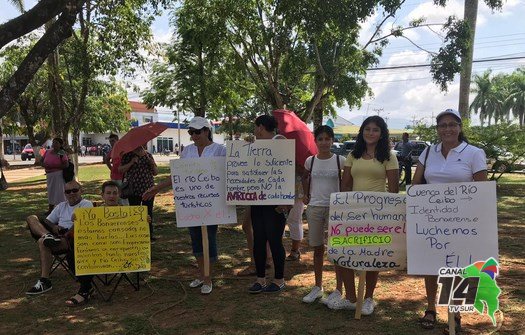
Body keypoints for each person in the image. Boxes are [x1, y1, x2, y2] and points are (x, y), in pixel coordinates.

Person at [413, 109, 487, 334]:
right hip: (431, 219)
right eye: (442, 125)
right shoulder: (428, 152)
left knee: (459, 266)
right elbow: (417, 184)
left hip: (463, 221)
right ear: (437, 129)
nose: (447, 129)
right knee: (430, 264)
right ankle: (430, 308)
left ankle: (455, 314)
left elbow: (481, 189)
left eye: (452, 124)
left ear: (460, 127)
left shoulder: (474, 153)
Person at [143, 116, 225, 295]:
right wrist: (156, 189)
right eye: (191, 132)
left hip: (212, 203)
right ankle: (201, 273)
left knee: (209, 238)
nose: (193, 135)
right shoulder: (187, 151)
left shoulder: (220, 150)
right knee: (195, 238)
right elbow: (177, 176)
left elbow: (227, 175)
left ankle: (208, 277)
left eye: (196, 132)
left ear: (206, 131)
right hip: (191, 203)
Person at [338, 115, 399, 315]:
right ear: (361, 131)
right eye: (367, 129)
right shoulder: (353, 155)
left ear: (382, 134)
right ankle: (351, 297)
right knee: (345, 254)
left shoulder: (389, 156)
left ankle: (368, 298)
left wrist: (390, 214)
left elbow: (394, 190)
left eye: (375, 130)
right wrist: (343, 209)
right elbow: (345, 184)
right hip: (352, 213)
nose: (370, 133)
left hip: (378, 215)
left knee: (373, 256)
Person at [301, 125, 346, 304]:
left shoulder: (340, 161)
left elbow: (348, 181)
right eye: (320, 139)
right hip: (315, 207)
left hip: (335, 208)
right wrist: (305, 194)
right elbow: (304, 177)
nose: (324, 142)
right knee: (317, 248)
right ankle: (317, 287)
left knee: (336, 249)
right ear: (315, 141)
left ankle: (338, 289)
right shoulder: (310, 161)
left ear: (332, 140)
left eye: (328, 138)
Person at [25, 180, 93, 295]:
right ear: (64, 194)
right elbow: (47, 221)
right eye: (68, 191)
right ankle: (47, 236)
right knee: (32, 218)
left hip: (73, 237)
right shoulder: (62, 205)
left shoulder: (86, 204)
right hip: (56, 234)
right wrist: (54, 226)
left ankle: (44, 281)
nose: (71, 193)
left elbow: (81, 225)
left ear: (81, 190)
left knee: (42, 242)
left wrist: (65, 234)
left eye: (74, 190)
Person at [248, 114, 288, 294]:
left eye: (256, 127)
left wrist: (287, 202)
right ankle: (260, 279)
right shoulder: (254, 146)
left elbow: (288, 171)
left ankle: (279, 279)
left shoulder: (280, 142)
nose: (255, 131)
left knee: (274, 240)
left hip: (277, 202)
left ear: (261, 127)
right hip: (258, 199)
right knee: (259, 240)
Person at [64, 181, 121, 306]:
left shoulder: (129, 213)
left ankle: (85, 290)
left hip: (119, 252)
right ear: (102, 195)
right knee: (73, 250)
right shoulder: (93, 213)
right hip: (96, 250)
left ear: (119, 195)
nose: (111, 196)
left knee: (87, 255)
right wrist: (78, 220)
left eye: (115, 193)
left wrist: (145, 221)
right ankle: (86, 287)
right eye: (108, 193)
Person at [119, 144, 157, 239]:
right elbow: (120, 170)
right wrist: (131, 162)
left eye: (142, 145)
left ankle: (149, 234)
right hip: (133, 189)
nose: (140, 146)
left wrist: (150, 161)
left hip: (148, 188)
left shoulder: (148, 155)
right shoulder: (127, 155)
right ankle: (136, 232)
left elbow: (156, 172)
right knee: (135, 212)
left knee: (148, 212)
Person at [40, 138, 69, 215]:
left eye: (56, 143)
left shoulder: (61, 153)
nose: (54, 144)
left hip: (58, 175)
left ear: (60, 145)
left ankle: (62, 209)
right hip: (49, 175)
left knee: (59, 192)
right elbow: (41, 161)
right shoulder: (48, 152)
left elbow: (66, 164)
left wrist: (53, 166)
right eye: (53, 142)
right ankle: (50, 209)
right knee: (51, 192)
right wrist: (44, 165)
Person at [104, 134, 128, 205]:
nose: (111, 143)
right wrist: (111, 168)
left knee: (123, 195)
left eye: (113, 141)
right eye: (110, 141)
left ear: (117, 140)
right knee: (115, 195)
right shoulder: (112, 150)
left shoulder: (123, 150)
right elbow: (106, 159)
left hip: (123, 177)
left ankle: (125, 211)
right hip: (114, 176)